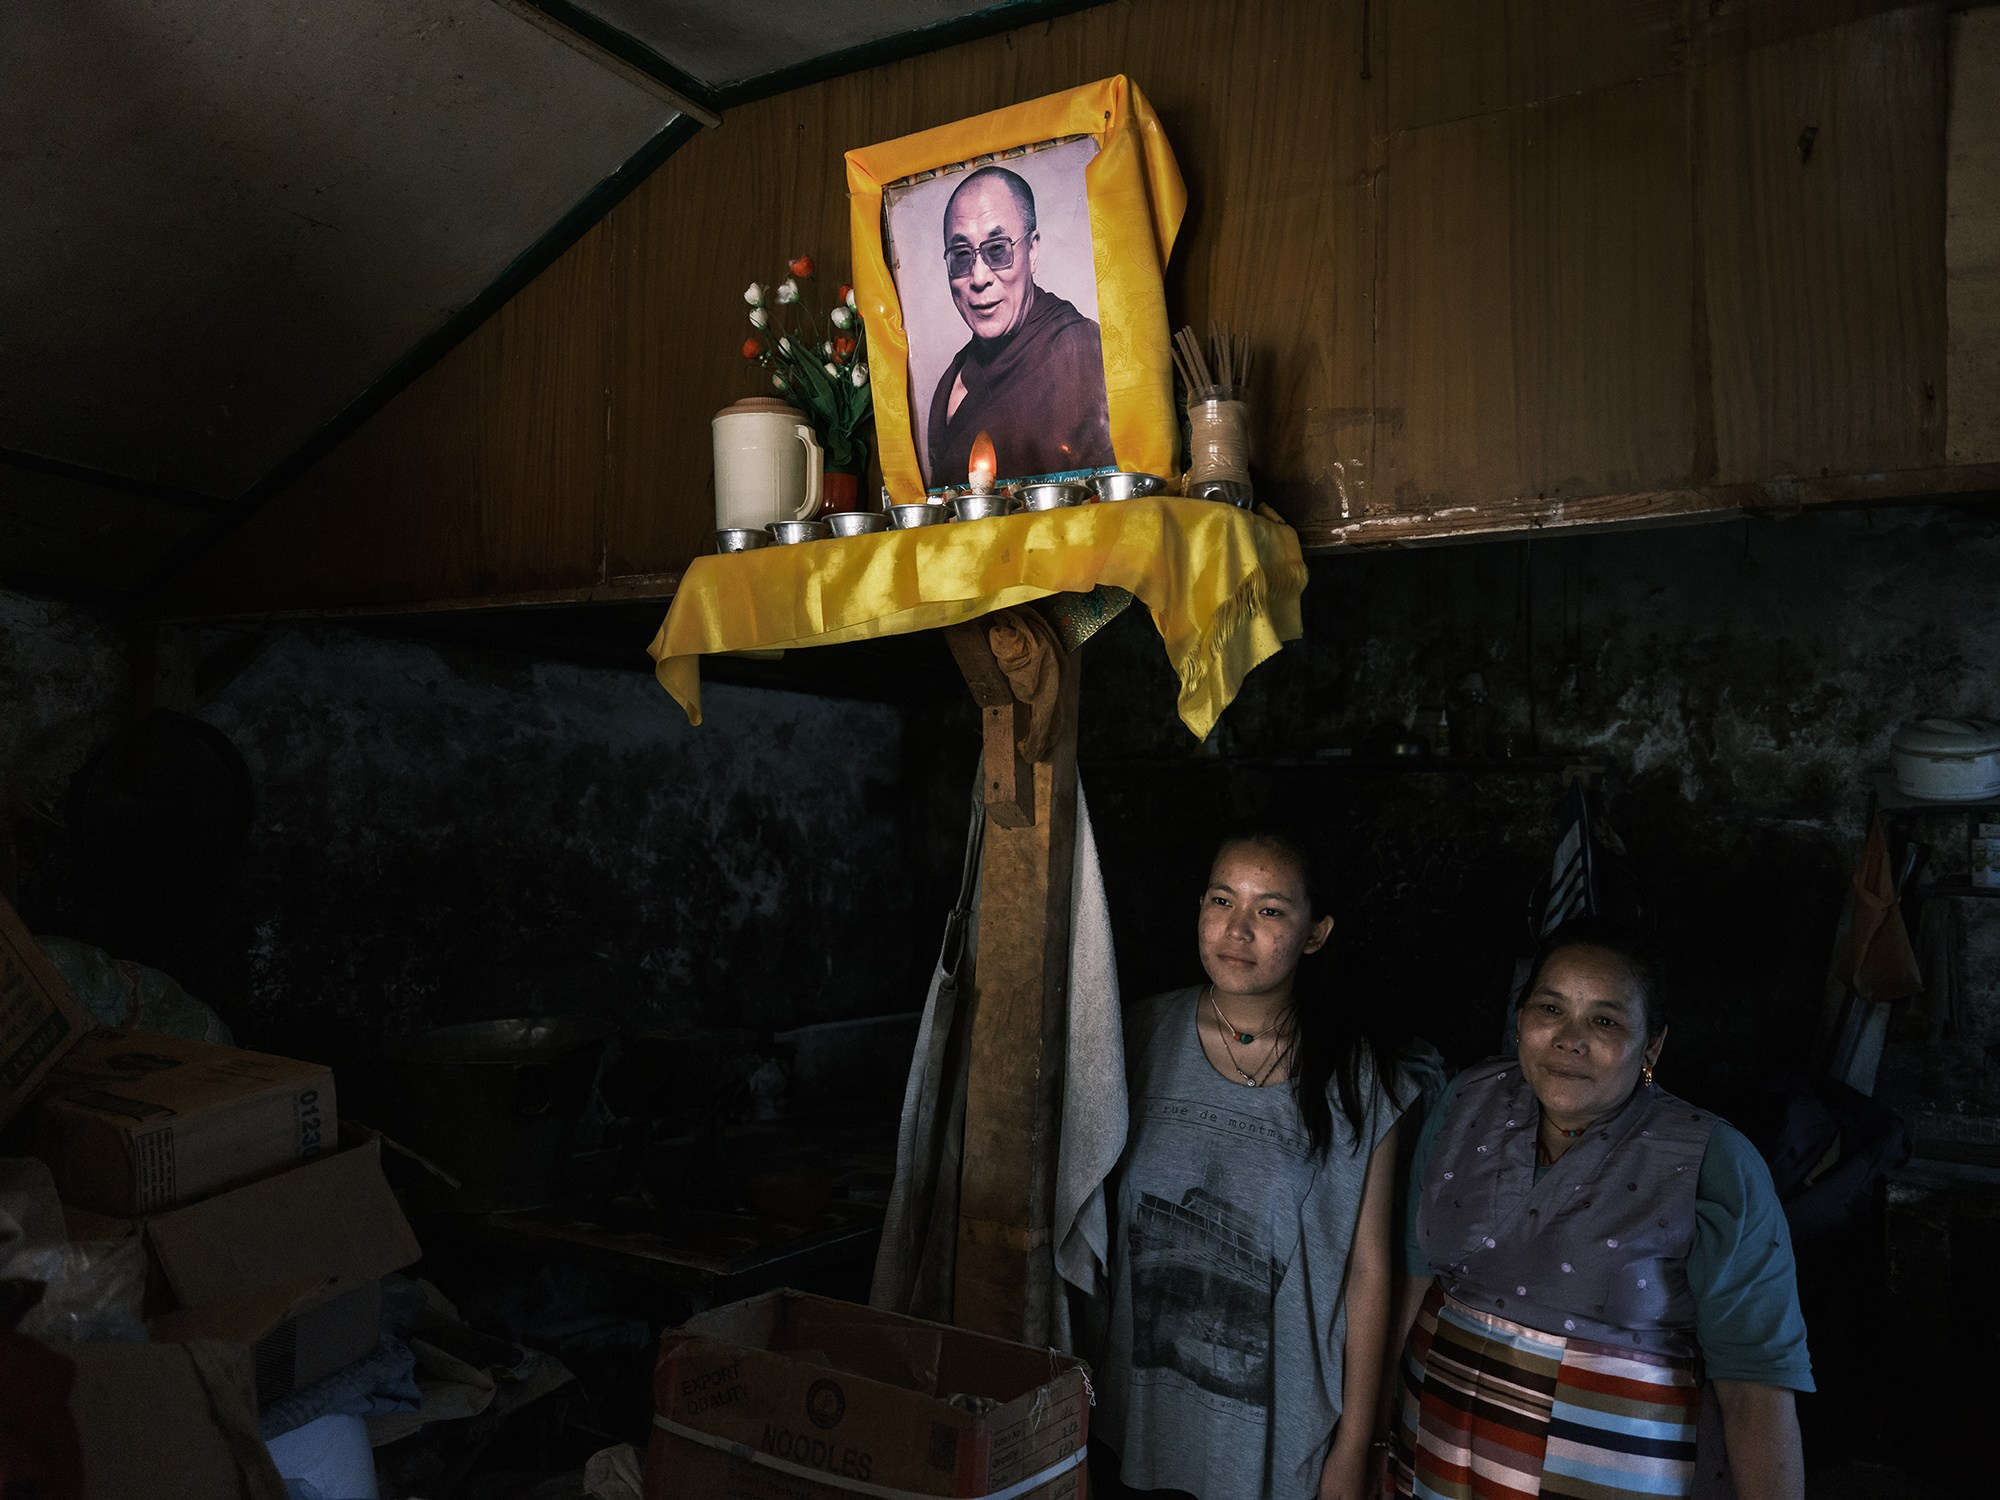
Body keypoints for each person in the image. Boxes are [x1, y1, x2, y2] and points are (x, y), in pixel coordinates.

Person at [1383, 917, 1812, 1500]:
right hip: (1430, 1459)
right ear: (1520, 1018)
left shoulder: (1711, 1162)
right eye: (1550, 1009)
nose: (1569, 1038)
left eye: (1604, 1020)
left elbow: (1755, 1392)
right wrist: (1370, 1441)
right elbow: (1412, 1283)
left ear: (1651, 1045)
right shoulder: (1465, 1101)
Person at [1092, 830, 1409, 1500]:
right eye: (1221, 901)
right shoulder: (1137, 1036)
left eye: (1269, 911)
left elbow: (1369, 1270)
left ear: (1315, 934)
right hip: (1142, 1422)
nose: (1237, 930)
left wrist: (1356, 1449)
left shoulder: (1355, 1077)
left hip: (1277, 1439)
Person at [923, 165, 1114, 486]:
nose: (979, 277)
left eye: (997, 250)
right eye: (961, 255)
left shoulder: (1080, 350)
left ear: (1033, 250)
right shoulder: (951, 380)